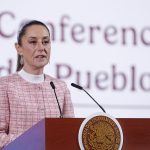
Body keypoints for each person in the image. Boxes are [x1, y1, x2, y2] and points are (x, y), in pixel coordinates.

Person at [0, 20, 74, 149]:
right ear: (19, 48)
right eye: (33, 42)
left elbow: (71, 133)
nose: (41, 47)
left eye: (45, 42)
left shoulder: (60, 87)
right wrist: (34, 143)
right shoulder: (5, 86)